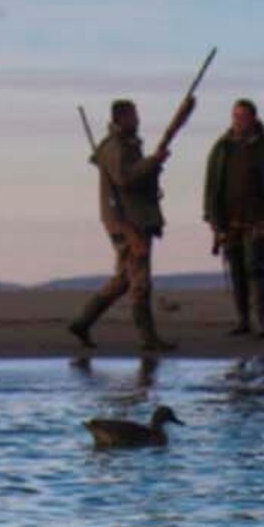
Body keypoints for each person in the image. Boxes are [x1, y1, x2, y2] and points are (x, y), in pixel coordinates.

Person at [72, 99, 176, 354]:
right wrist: (153, 161)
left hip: (132, 218)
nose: (138, 120)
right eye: (133, 116)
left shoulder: (122, 145)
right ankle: (147, 338)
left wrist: (153, 164)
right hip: (128, 222)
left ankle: (82, 322)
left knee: (124, 280)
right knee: (139, 280)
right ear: (121, 119)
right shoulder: (117, 147)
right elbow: (125, 178)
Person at [202, 98, 264, 337]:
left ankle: (260, 320)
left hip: (257, 220)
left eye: (242, 117)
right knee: (236, 271)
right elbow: (211, 184)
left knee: (256, 270)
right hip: (228, 221)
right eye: (235, 116)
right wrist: (211, 217)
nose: (238, 121)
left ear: (253, 118)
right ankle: (242, 320)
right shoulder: (222, 148)